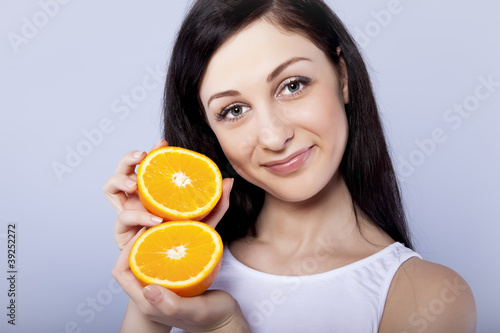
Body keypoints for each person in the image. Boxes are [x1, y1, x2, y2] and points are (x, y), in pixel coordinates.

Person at [103, 0, 477, 332]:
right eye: (233, 110)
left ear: (342, 77)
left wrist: (226, 327)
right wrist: (154, 271)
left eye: (293, 85)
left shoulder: (427, 294)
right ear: (208, 130)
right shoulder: (192, 278)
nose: (273, 136)